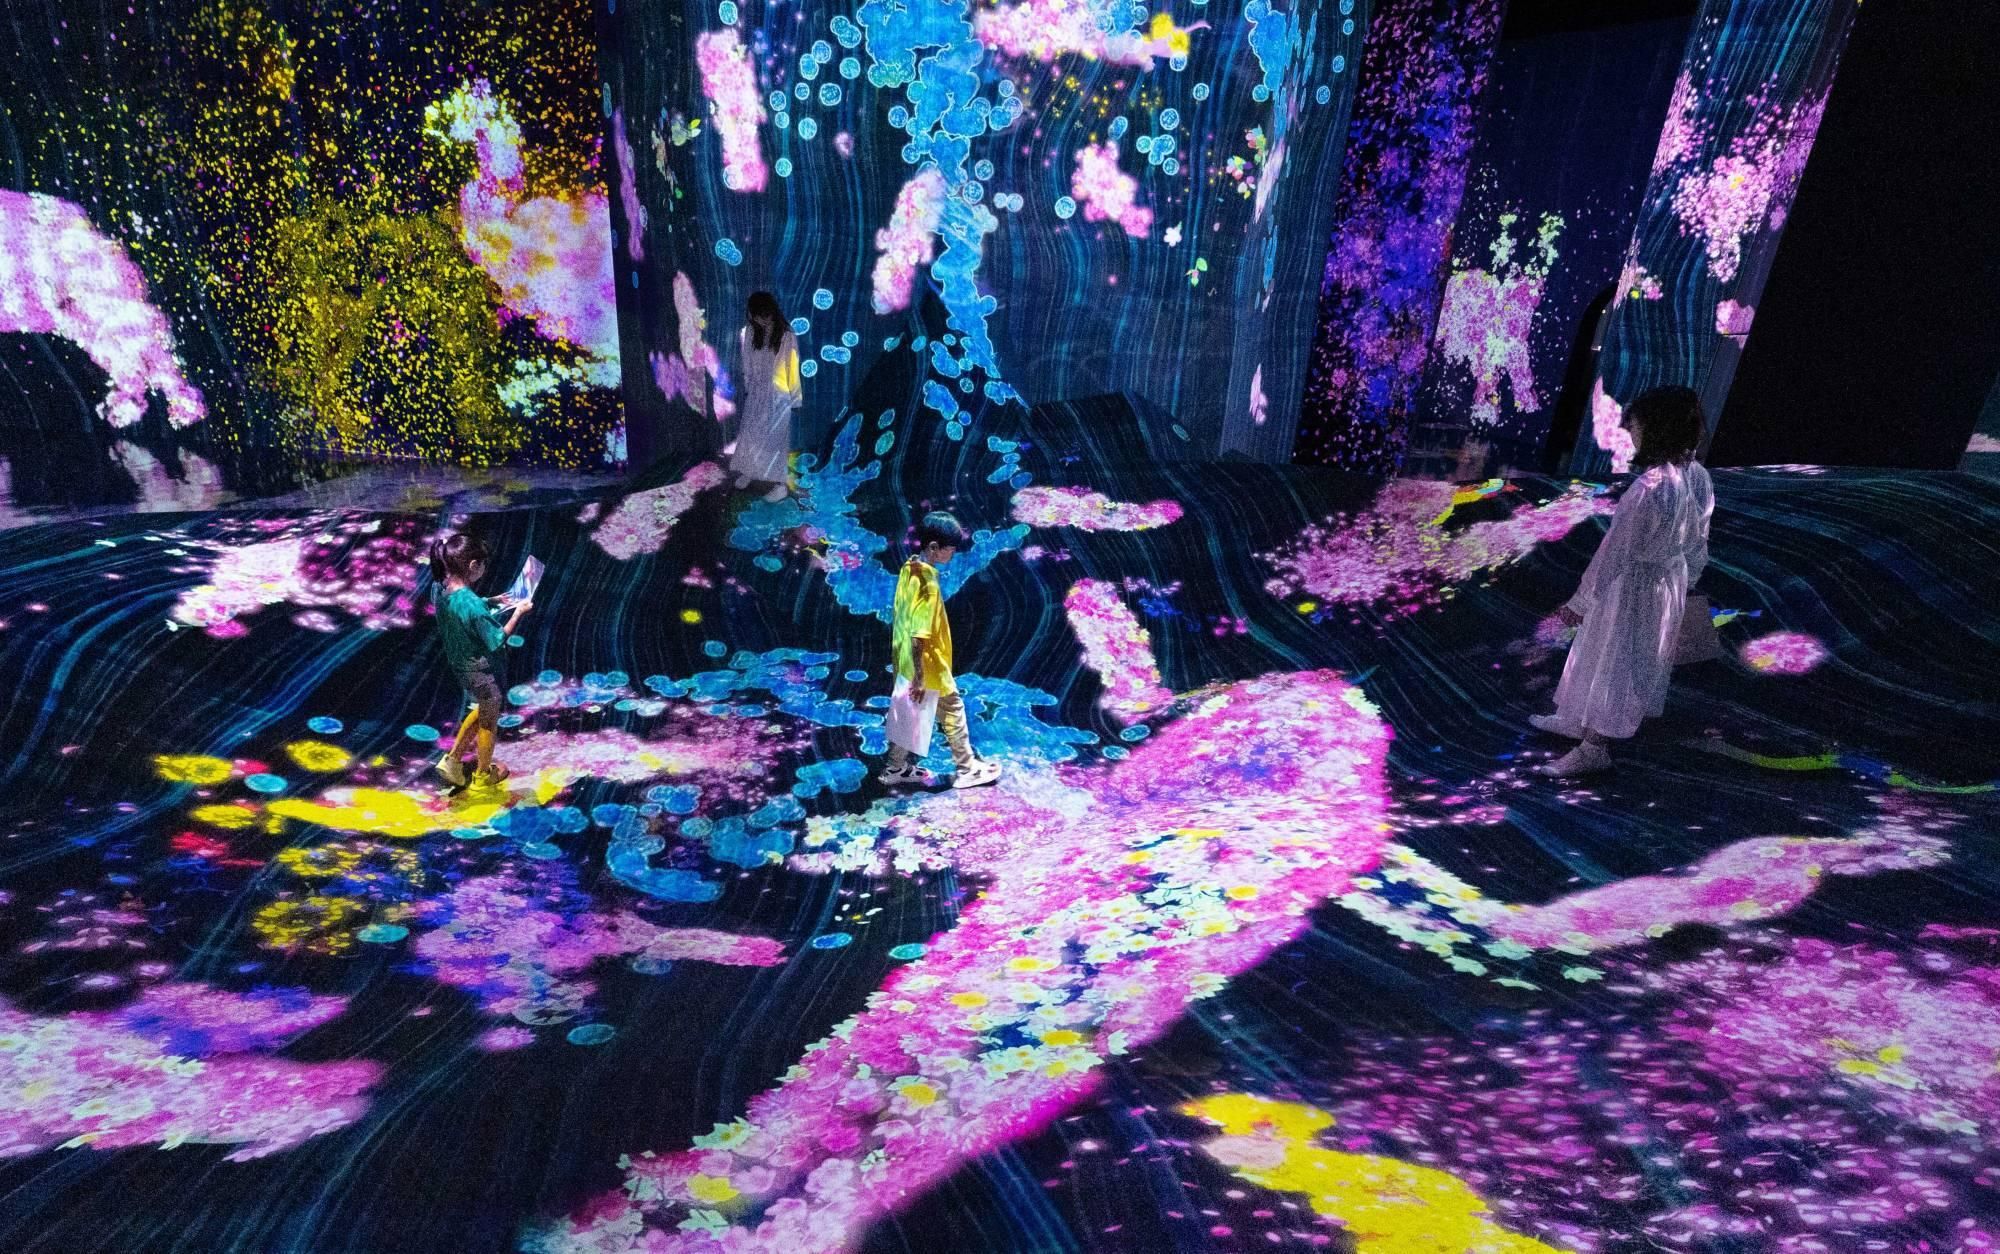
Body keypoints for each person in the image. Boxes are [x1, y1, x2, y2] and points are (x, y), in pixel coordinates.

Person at [1532, 386, 1714, 777]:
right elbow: (1699, 542)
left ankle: (1594, 748)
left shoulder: (1649, 489)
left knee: (1616, 659)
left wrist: (1580, 602)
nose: (1631, 434)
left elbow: (1613, 554)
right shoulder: (1696, 476)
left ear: (1656, 429)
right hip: (1665, 583)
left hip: (1633, 586)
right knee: (1608, 652)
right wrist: (1683, 584)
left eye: (1636, 426)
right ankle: (1577, 720)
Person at [879, 511, 1002, 790]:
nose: (953, 554)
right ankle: (967, 769)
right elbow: (919, 635)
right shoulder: (928, 586)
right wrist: (920, 678)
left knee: (909, 714)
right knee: (953, 712)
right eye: (950, 549)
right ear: (934, 547)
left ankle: (895, 768)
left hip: (904, 661)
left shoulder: (909, 568)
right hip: (928, 665)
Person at [430, 534, 532, 789]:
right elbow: (497, 639)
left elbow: (465, 609)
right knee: (489, 721)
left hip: (462, 664)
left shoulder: (439, 589)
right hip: (483, 669)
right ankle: (483, 775)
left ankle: (452, 761)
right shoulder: (473, 605)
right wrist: (518, 612)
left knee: (483, 708)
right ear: (473, 565)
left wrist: (491, 601)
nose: (484, 569)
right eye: (483, 565)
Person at [732, 291, 802, 503]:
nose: (761, 320)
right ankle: (749, 471)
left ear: (771, 312)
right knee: (751, 434)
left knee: (775, 440)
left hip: (779, 396)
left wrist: (795, 397)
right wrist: (749, 386)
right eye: (757, 316)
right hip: (757, 393)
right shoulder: (750, 332)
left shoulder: (786, 334)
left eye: (764, 315)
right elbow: (746, 362)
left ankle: (779, 485)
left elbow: (792, 366)